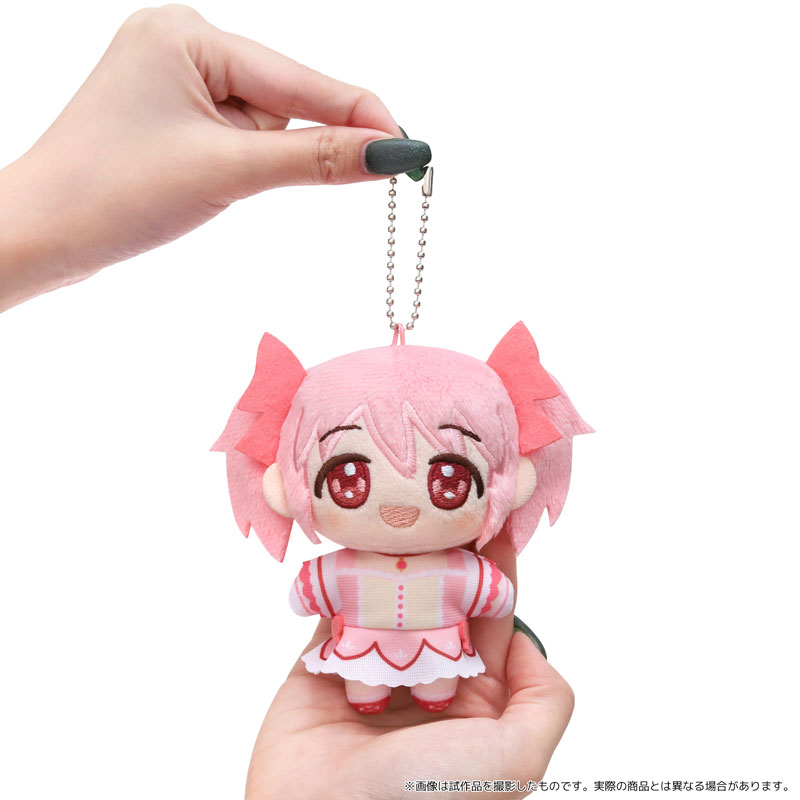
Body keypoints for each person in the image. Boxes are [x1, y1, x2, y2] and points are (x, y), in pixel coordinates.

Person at [0, 6, 574, 797]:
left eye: (447, 480)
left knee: (440, 679)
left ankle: (424, 687)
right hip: (361, 652)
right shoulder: (371, 570)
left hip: (443, 650)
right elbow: (334, 590)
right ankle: (376, 691)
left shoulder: (432, 571)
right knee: (372, 679)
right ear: (284, 482)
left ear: (511, 480)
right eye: (349, 479)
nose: (399, 504)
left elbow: (482, 592)